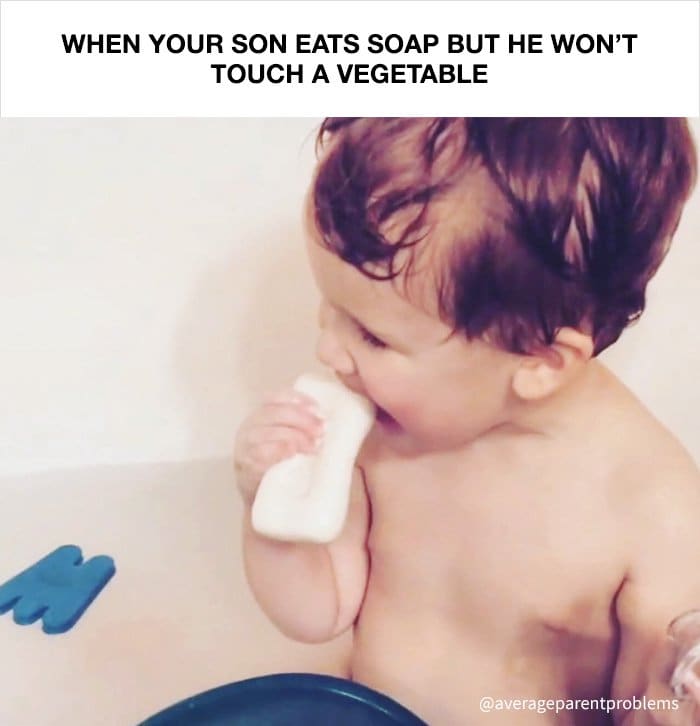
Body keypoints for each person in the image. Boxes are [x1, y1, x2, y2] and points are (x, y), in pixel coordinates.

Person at [234, 118, 700, 724]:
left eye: (372, 336)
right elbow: (317, 611)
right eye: (330, 309)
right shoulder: (383, 429)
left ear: (540, 363)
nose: (329, 351)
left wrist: (673, 706)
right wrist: (269, 512)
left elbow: (644, 706)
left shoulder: (653, 510)